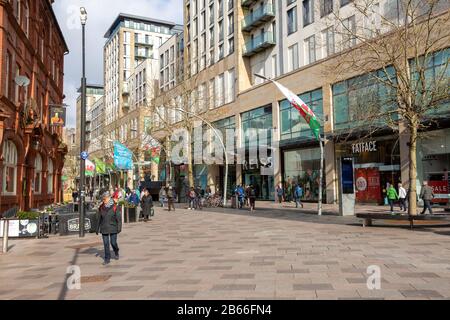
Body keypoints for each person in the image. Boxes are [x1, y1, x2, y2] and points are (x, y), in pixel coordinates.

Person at [96, 191, 121, 265]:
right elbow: (99, 218)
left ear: (109, 198)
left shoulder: (114, 206)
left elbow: (118, 218)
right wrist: (97, 228)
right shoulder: (101, 207)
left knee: (113, 242)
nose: (103, 201)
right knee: (106, 244)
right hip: (104, 227)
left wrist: (119, 228)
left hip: (113, 226)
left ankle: (116, 251)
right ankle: (107, 258)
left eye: (104, 199)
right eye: (103, 199)